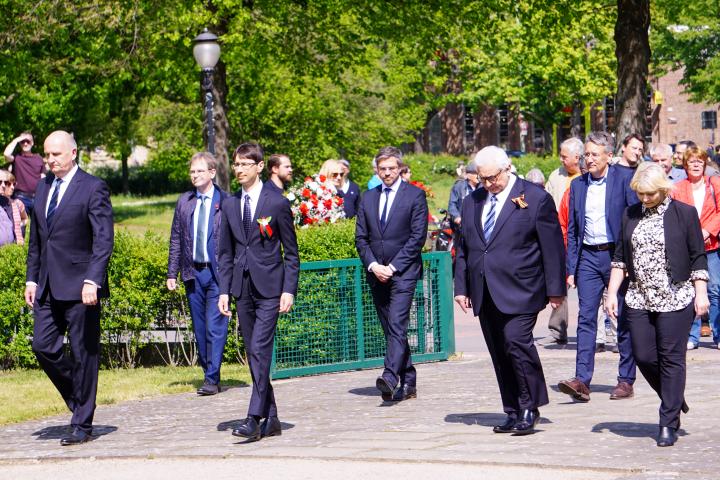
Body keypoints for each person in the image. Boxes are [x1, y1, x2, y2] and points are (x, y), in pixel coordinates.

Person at [454, 146, 566, 435]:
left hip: (523, 286)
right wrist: (461, 286)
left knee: (516, 341)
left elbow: (551, 247)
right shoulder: (473, 201)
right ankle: (513, 409)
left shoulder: (535, 197)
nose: (488, 184)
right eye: (482, 178)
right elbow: (465, 248)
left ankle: (530, 406)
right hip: (484, 288)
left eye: (492, 177)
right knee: (499, 350)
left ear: (507, 169)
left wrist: (556, 290)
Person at [606, 162, 708, 447]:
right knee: (643, 355)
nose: (645, 199)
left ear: (663, 189)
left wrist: (701, 293)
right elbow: (619, 258)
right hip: (639, 296)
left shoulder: (684, 214)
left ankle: (668, 420)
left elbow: (698, 256)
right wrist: (612, 293)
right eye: (640, 193)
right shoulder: (629, 215)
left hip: (675, 296)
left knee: (671, 358)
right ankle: (674, 397)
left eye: (650, 194)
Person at [24, 131, 114, 446]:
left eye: (56, 155)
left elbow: (103, 239)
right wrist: (31, 278)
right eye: (47, 155)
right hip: (48, 286)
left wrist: (93, 279)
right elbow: (37, 239)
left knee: (84, 353)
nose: (50, 160)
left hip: (81, 287)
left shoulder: (93, 187)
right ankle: (79, 395)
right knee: (42, 346)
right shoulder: (43, 186)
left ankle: (82, 424)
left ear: (73, 153)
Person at [217, 142, 299, 442]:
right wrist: (224, 290)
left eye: (245, 164)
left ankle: (253, 417)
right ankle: (273, 417)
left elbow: (291, 252)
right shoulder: (229, 204)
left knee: (259, 350)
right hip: (243, 289)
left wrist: (289, 289)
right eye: (236, 164)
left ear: (260, 166)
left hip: (270, 288)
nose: (239, 169)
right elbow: (225, 252)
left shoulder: (275, 202)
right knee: (254, 354)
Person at [558, 131, 638, 403]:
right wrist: (571, 266)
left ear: (608, 157)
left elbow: (632, 224)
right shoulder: (578, 185)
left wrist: (628, 260)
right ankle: (582, 380)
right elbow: (572, 229)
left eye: (594, 154)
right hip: (588, 259)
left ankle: (626, 379)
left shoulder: (624, 181)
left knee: (623, 317)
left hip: (617, 255)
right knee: (586, 318)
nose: (588, 159)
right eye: (586, 154)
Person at [355, 146, 428, 403]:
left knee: (397, 323)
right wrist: (374, 266)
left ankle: (390, 375)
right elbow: (361, 238)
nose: (387, 173)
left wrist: (393, 267)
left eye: (391, 168)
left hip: (404, 272)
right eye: (382, 169)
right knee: (390, 328)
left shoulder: (415, 196)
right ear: (377, 170)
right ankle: (408, 378)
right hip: (376, 273)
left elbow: (417, 237)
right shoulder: (368, 197)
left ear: (400, 169)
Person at [167, 152, 229, 396]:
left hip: (216, 275)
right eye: (192, 171)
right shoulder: (185, 201)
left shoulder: (225, 201)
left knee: (216, 327)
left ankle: (212, 378)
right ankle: (209, 371)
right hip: (193, 272)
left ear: (212, 173)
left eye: (200, 171)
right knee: (200, 328)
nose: (195, 175)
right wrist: (172, 272)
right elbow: (176, 238)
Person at [670, 147, 720, 350]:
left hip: (711, 246)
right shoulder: (678, 188)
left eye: (700, 161)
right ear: (685, 165)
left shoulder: (714, 184)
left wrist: (708, 230)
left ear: (705, 164)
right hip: (687, 247)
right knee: (689, 291)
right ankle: (692, 336)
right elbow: (673, 215)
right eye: (692, 161)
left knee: (715, 290)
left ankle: (718, 334)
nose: (697, 165)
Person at [543, 138, 585, 346]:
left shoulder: (588, 174)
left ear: (577, 157)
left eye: (564, 156)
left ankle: (599, 334)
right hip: (560, 236)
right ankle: (557, 329)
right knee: (558, 283)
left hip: (582, 237)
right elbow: (547, 202)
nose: (560, 159)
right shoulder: (556, 176)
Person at [3, 131, 46, 214]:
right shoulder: (17, 158)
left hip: (38, 197)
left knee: (38, 226)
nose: (25, 144)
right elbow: (6, 154)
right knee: (19, 225)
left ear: (32, 143)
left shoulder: (39, 158)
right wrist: (16, 140)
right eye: (23, 141)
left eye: (28, 141)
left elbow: (43, 177)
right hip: (20, 197)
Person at [448, 159, 479, 229]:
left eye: (479, 173)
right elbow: (452, 205)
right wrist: (457, 217)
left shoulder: (483, 187)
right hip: (462, 224)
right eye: (475, 173)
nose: (478, 176)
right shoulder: (459, 187)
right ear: (468, 175)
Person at [0, 169, 27, 245]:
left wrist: (18, 225)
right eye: (8, 184)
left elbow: (25, 218)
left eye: (14, 184)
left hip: (15, 247)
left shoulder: (17, 203)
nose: (12, 187)